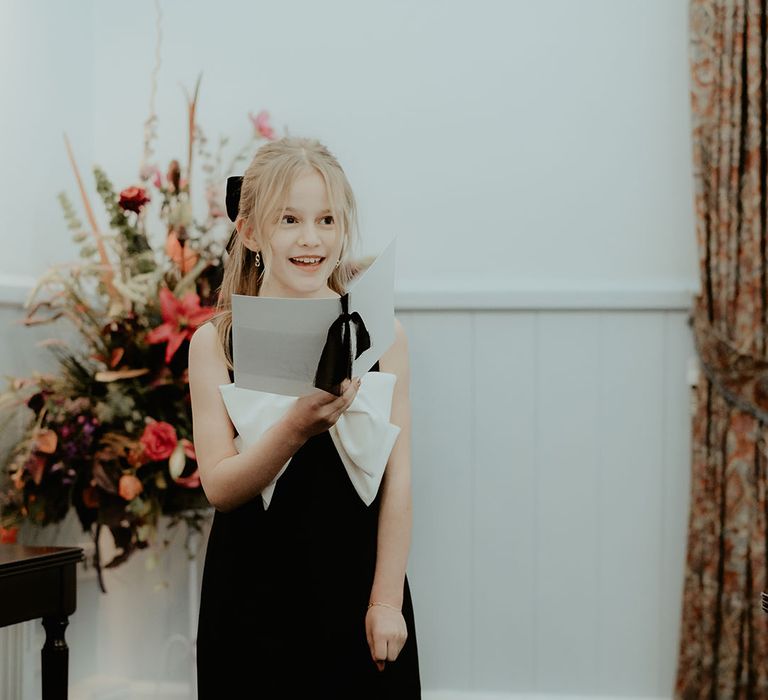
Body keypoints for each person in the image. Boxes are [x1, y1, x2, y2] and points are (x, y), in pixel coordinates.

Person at [189, 136, 421, 697]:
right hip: (251, 597)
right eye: (289, 219)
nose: (310, 238)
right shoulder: (215, 344)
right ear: (250, 232)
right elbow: (220, 487)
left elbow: (399, 477)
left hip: (357, 590)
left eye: (327, 220)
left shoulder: (381, 337)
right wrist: (295, 428)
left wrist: (386, 601)